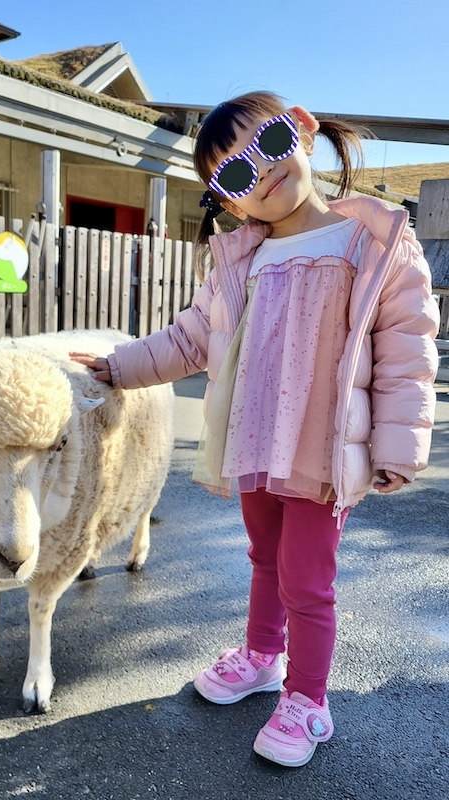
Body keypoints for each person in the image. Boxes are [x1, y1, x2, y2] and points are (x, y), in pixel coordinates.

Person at [70, 91, 439, 768]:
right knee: (264, 562)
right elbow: (188, 339)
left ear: (299, 128)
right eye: (234, 176)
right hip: (254, 446)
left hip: (322, 455)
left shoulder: (376, 245)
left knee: (307, 580)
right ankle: (264, 658)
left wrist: (396, 447)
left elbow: (406, 353)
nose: (260, 173)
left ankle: (308, 699)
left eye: (267, 146)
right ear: (230, 201)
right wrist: (117, 367)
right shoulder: (242, 259)